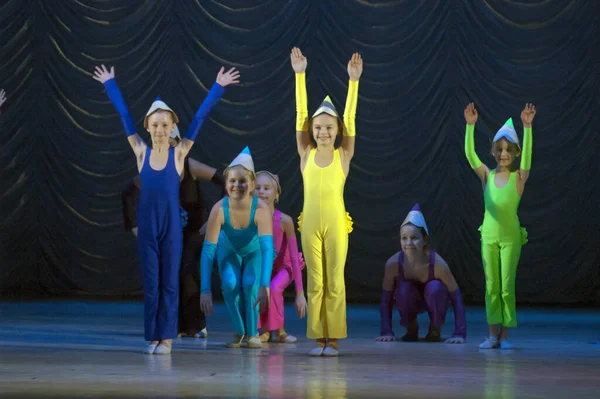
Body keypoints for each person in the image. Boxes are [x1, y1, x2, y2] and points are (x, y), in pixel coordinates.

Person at [92, 64, 239, 354]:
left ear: (172, 127)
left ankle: (167, 337)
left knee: (170, 282)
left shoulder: (180, 153)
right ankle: (153, 336)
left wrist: (218, 87)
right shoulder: (140, 152)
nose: (160, 129)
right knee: (151, 283)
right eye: (155, 124)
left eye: (165, 124)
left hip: (171, 226)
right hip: (148, 226)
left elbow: (199, 117)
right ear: (147, 126)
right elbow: (124, 117)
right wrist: (110, 84)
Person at [121, 125, 225, 339]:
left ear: (178, 143)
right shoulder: (153, 167)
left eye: (171, 143)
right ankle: (174, 326)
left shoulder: (189, 164)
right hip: (166, 230)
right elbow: (127, 194)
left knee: (187, 274)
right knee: (169, 277)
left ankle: (196, 325)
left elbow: (224, 181)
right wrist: (134, 225)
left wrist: (214, 219)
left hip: (193, 230)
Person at [291, 47, 362, 356]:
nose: (322, 132)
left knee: (335, 280)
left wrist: (354, 83)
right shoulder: (305, 154)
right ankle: (318, 337)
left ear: (338, 131)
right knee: (316, 281)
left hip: (335, 223)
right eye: (318, 128)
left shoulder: (343, 155)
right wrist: (300, 75)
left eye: (328, 128)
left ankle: (333, 338)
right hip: (310, 224)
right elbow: (300, 115)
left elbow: (350, 116)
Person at [463, 102, 536, 349]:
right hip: (489, 236)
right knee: (491, 285)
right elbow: (470, 155)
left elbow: (527, 160)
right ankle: (492, 335)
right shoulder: (487, 175)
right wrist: (469, 127)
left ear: (515, 153)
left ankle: (504, 336)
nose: (503, 154)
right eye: (499, 149)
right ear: (494, 152)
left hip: (510, 237)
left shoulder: (519, 177)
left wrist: (527, 127)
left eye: (508, 150)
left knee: (506, 286)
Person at [199, 147, 274, 349]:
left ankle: (252, 333)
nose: (237, 185)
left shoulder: (261, 208)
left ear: (251, 185)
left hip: (253, 250)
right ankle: (240, 331)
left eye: (242, 181)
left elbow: (267, 248)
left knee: (251, 283)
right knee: (231, 284)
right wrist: (205, 289)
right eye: (232, 181)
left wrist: (264, 284)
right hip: (229, 249)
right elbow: (208, 252)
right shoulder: (219, 209)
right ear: (226, 184)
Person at [375, 204, 467, 344]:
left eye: (414, 237)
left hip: (434, 298)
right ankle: (411, 328)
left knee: (435, 287)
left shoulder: (438, 264)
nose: (409, 243)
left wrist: (459, 333)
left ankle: (435, 328)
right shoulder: (393, 264)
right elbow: (386, 300)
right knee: (404, 289)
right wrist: (386, 331)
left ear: (425, 240)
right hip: (409, 298)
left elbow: (456, 297)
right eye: (404, 238)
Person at [253, 171, 307, 343]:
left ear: (276, 194)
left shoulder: (285, 220)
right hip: (265, 266)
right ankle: (265, 330)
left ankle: (279, 331)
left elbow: (292, 255)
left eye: (267, 188)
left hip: (287, 266)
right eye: (257, 188)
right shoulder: (251, 219)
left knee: (275, 287)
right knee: (259, 286)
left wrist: (300, 293)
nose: (261, 192)